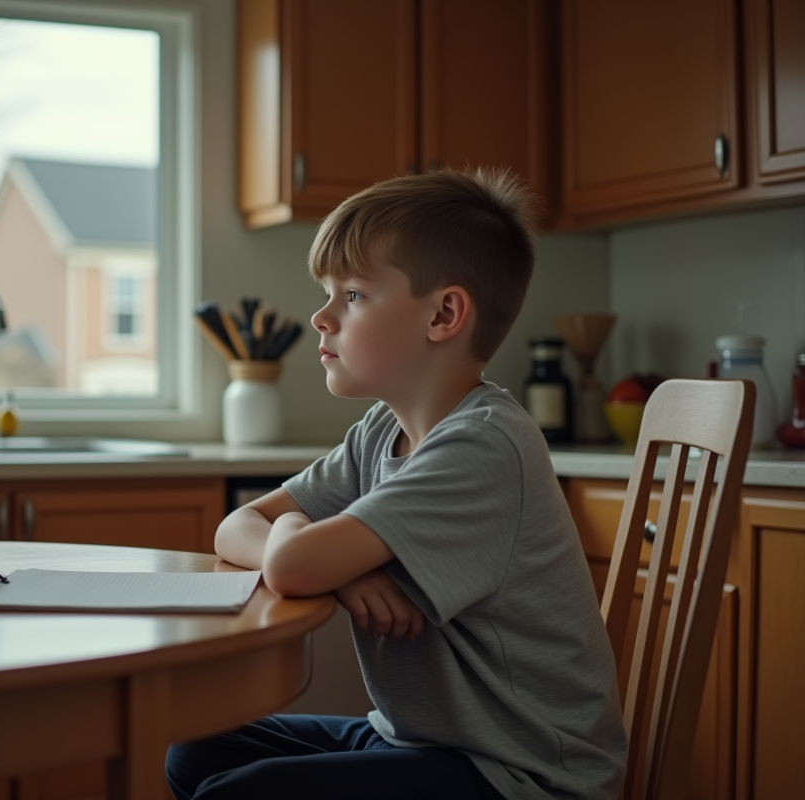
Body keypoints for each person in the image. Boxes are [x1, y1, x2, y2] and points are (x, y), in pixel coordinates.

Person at [165, 170, 627, 800]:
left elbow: (293, 562)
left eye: (352, 295)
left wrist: (311, 548)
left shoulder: (482, 446)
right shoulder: (382, 430)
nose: (320, 316)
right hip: (415, 738)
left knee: (241, 793)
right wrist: (346, 567)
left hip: (520, 772)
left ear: (444, 314)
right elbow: (237, 526)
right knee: (193, 753)